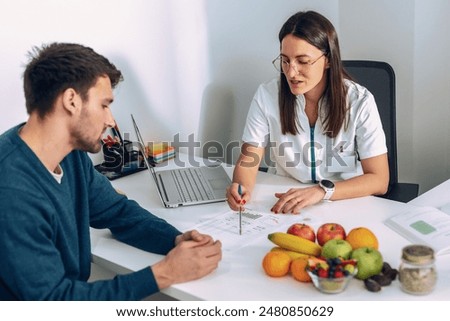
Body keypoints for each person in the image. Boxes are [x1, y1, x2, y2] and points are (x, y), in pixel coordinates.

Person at [0, 43, 222, 300]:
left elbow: (116, 211)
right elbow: (54, 303)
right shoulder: (11, 190)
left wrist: (175, 240)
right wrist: (165, 273)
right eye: (104, 105)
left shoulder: (70, 156)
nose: (111, 120)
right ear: (71, 101)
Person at [226, 11, 389, 214]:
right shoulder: (267, 95)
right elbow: (248, 161)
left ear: (328, 59)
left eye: (302, 61)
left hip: (345, 200)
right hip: (284, 197)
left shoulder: (360, 101)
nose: (291, 72)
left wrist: (322, 191)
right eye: (285, 60)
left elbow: (379, 179)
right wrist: (241, 187)